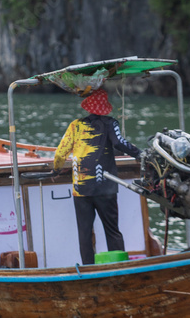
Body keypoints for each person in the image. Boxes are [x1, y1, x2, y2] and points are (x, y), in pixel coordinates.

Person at [52, 88, 142, 265]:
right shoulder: (110, 123)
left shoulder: (76, 126)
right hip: (105, 187)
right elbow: (118, 143)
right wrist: (139, 153)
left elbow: (60, 153)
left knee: (84, 232)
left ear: (89, 107)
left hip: (81, 189)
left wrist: (56, 169)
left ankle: (88, 270)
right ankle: (118, 266)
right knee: (112, 230)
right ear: (105, 108)